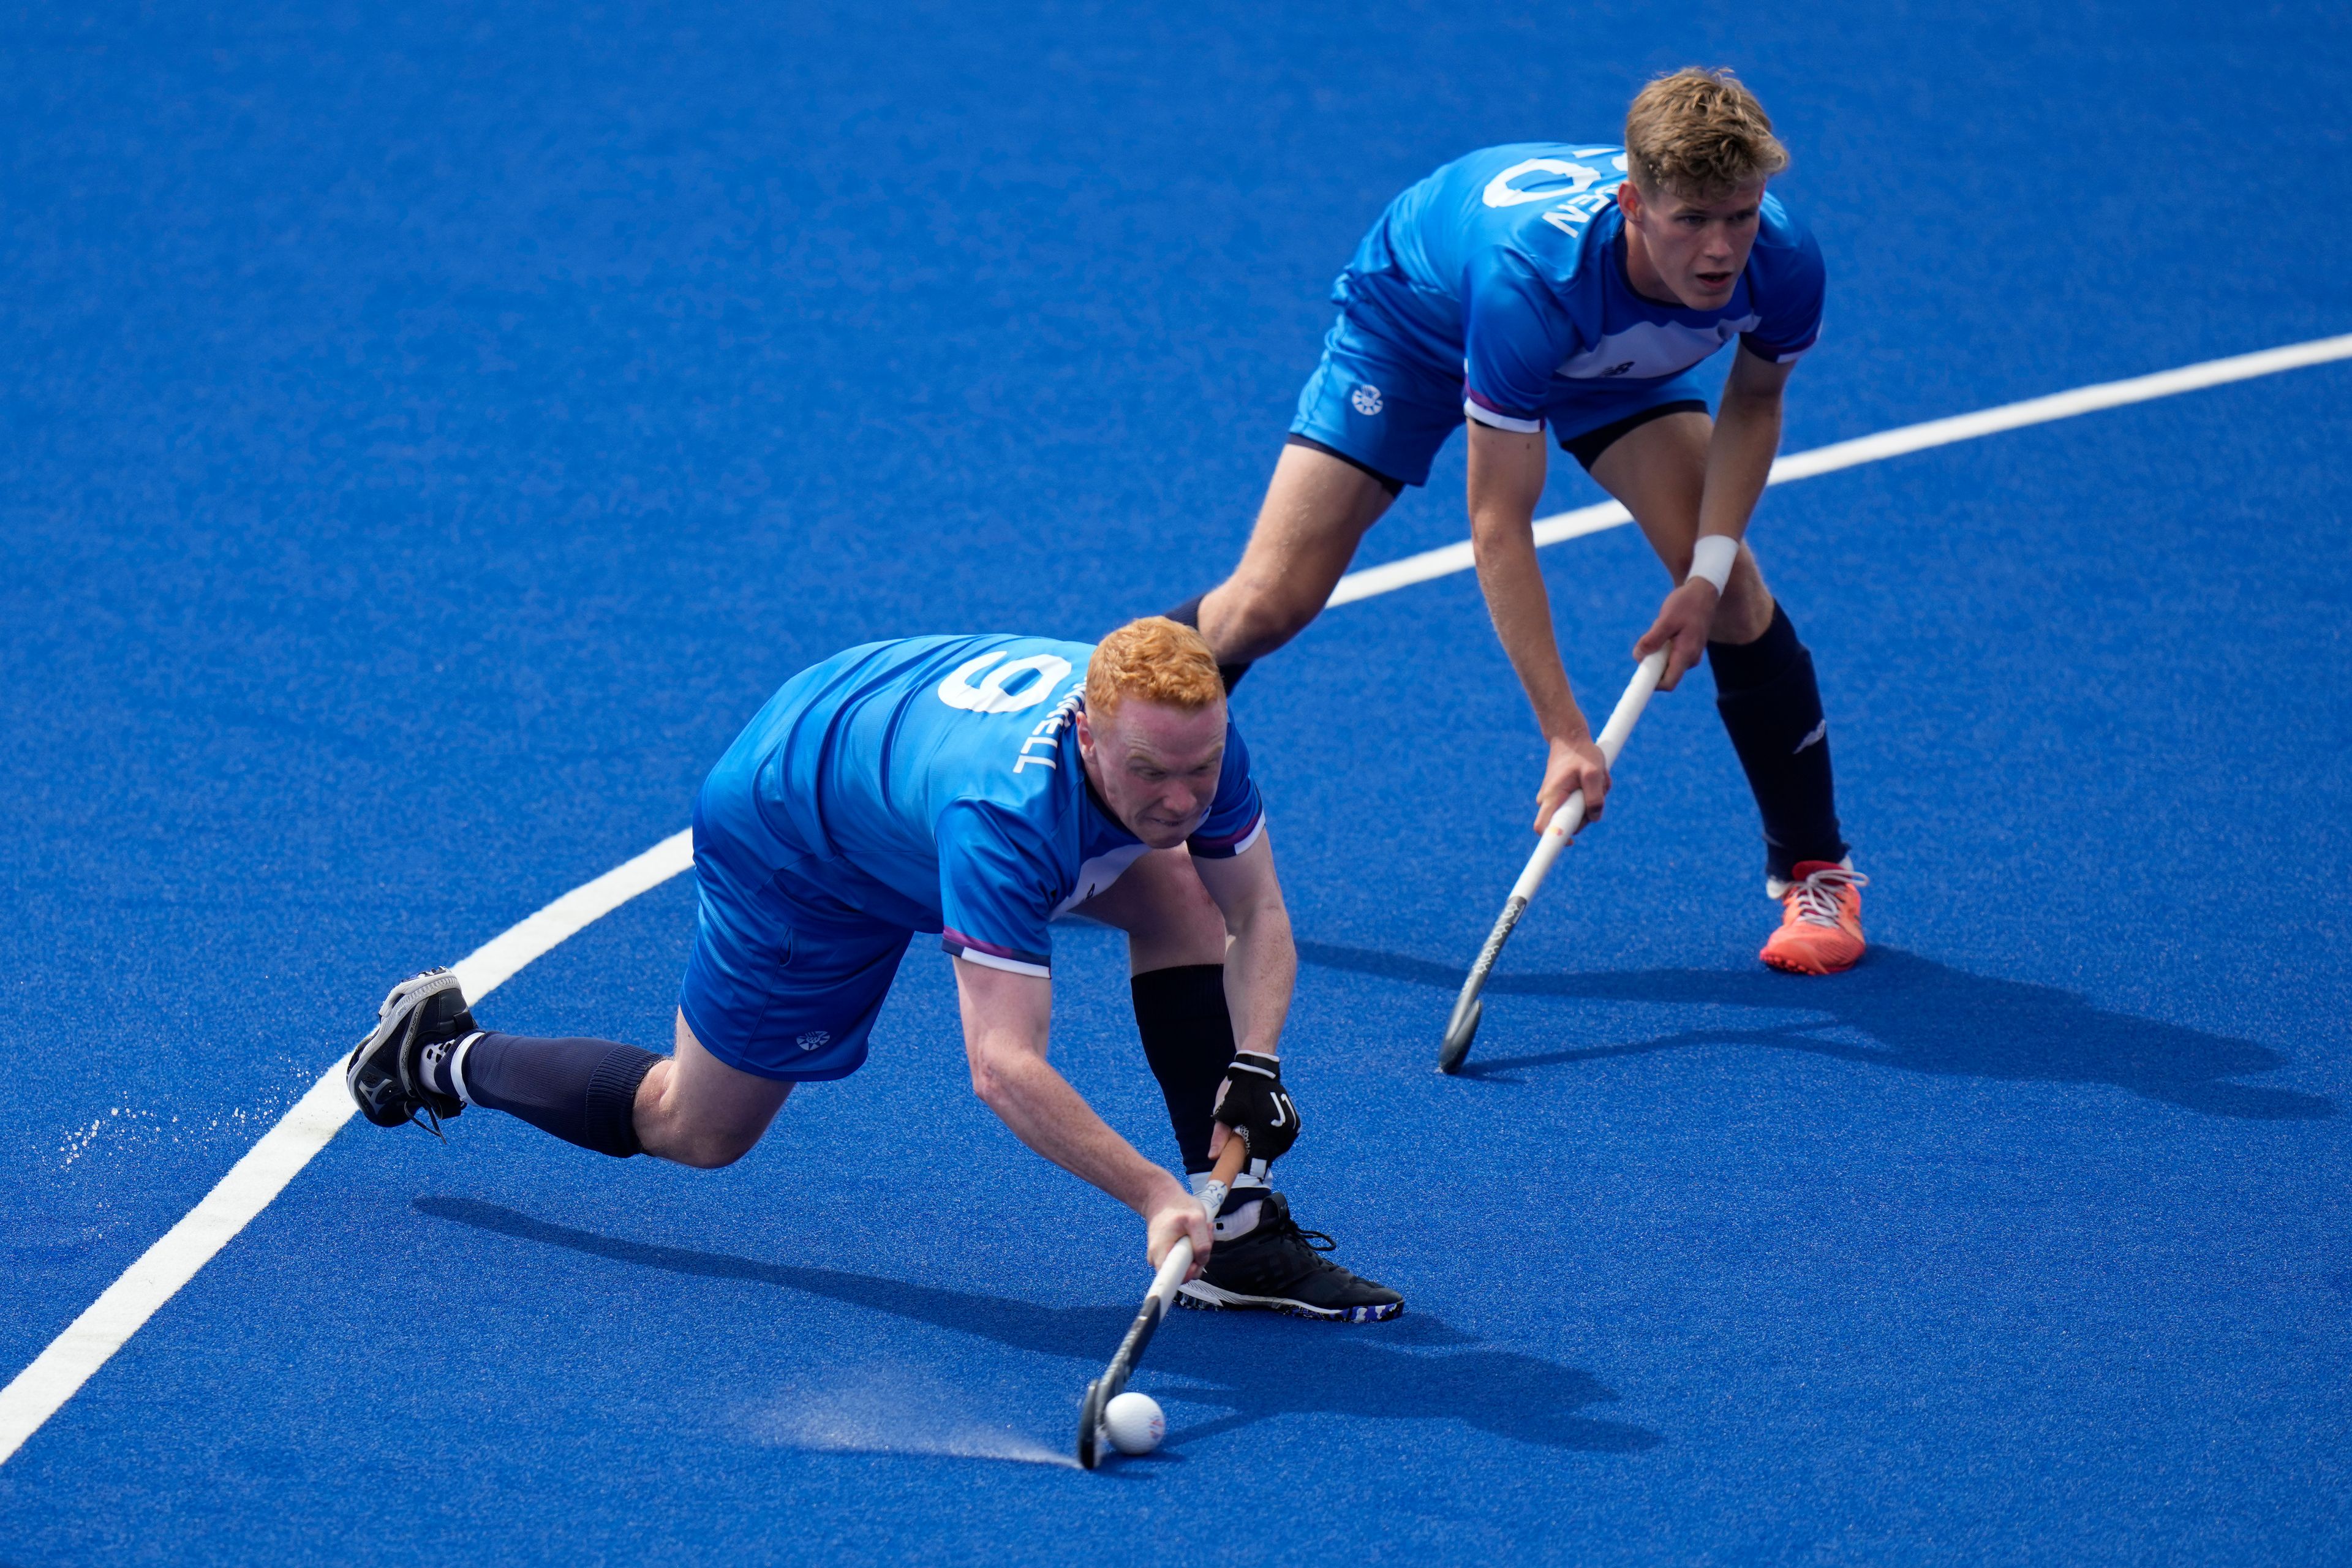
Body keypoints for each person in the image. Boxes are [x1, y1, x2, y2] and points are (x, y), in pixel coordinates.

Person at [346, 617, 1401, 1322]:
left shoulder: (1190, 733)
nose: (1182, 800)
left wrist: (1255, 1061)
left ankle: (1243, 1221)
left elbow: (1255, 911)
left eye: (1200, 772)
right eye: (1150, 774)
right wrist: (1149, 1197)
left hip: (881, 738)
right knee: (699, 1129)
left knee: (1178, 890)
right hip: (799, 829)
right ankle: (441, 1052)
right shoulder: (1004, 821)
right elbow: (1000, 1068)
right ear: (1087, 735)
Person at [1165, 68, 1866, 973]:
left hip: (1620, 359)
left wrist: (1702, 571)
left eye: (1739, 213)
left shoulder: (1784, 258)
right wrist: (1565, 733)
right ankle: (1070, 745)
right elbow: (1499, 521)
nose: (1720, 250)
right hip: (1417, 323)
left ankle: (1817, 871)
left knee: (1735, 597)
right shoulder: (1529, 279)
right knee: (1267, 604)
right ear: (1633, 203)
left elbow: (1755, 404)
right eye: (1690, 219)